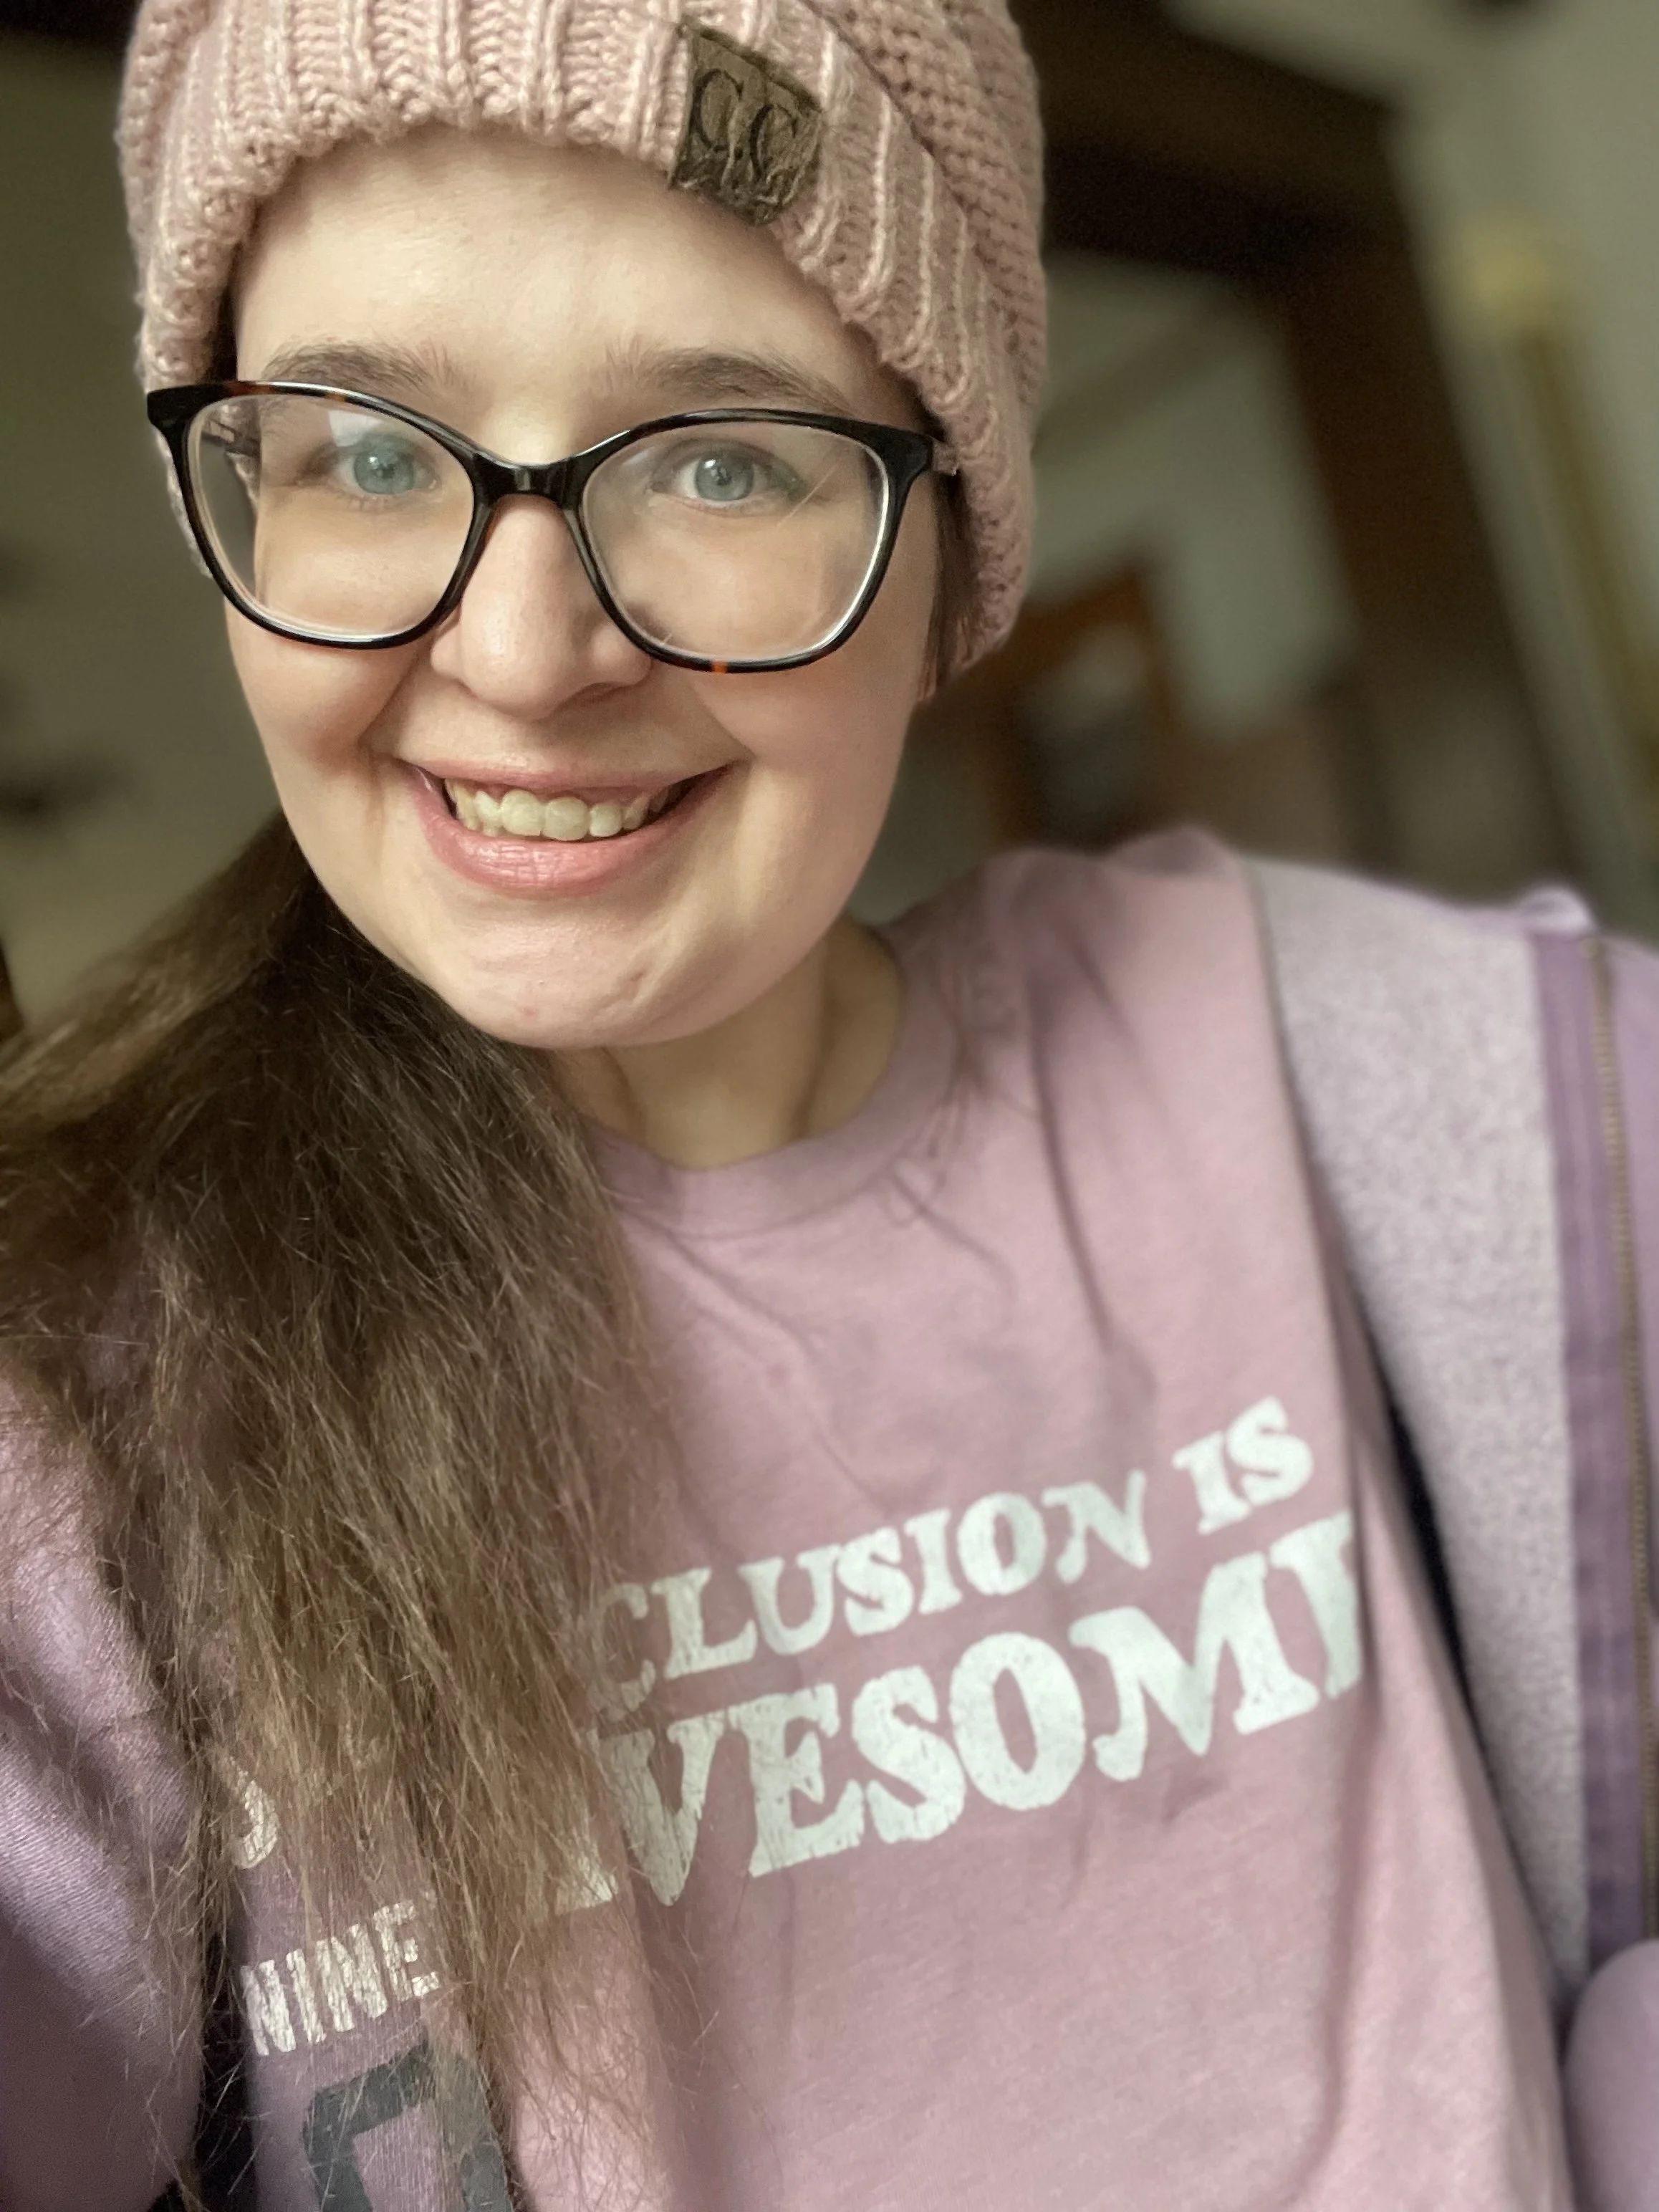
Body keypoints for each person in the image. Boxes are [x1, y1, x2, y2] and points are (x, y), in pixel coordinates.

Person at [0, 0, 1654, 2205]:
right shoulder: (94, 1385)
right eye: (369, 451)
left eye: (718, 457)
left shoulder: (1387, 1070)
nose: (520, 653)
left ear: (945, 547)